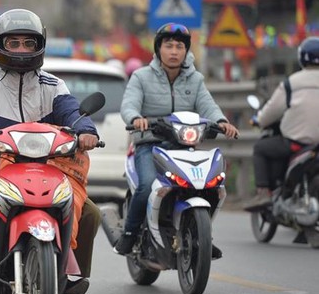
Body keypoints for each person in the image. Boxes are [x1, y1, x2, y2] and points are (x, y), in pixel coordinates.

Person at [0, 9, 101, 294]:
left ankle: (70, 275)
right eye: (13, 43)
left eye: (29, 43)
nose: (21, 50)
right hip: (0, 166)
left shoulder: (54, 85)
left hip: (49, 167)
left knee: (91, 212)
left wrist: (86, 131)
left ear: (40, 44)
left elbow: (73, 113)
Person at [113, 22, 239, 256]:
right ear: (158, 49)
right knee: (147, 185)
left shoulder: (195, 80)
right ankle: (129, 234)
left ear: (186, 51)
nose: (174, 51)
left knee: (209, 185)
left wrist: (221, 121)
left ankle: (201, 234)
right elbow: (129, 104)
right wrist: (136, 117)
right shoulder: (141, 77)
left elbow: (208, 105)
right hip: (149, 144)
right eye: (168, 46)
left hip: (184, 146)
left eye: (179, 46)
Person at [243, 36, 319, 211]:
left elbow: (270, 112)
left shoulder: (292, 83)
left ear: (302, 57)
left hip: (297, 144)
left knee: (261, 148)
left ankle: (263, 194)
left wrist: (258, 120)